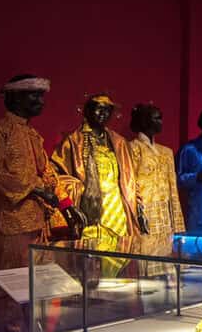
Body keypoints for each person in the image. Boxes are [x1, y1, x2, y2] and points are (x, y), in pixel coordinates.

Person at [0, 74, 83, 332]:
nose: (40, 101)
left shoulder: (33, 136)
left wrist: (66, 205)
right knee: (11, 289)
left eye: (41, 96)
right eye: (32, 95)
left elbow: (48, 175)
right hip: (11, 223)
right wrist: (39, 192)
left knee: (41, 288)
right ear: (13, 98)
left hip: (39, 223)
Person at [51, 93, 141, 278]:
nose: (102, 113)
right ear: (87, 111)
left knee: (118, 250)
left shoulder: (119, 142)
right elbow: (56, 175)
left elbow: (131, 178)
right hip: (89, 208)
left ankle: (111, 288)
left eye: (107, 110)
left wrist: (138, 205)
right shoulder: (73, 142)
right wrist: (76, 193)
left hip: (117, 207)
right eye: (97, 108)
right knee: (89, 255)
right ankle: (90, 290)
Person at [128, 103, 185, 271]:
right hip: (145, 210)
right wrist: (137, 212)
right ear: (145, 121)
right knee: (146, 260)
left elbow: (173, 189)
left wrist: (177, 221)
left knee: (166, 261)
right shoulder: (132, 148)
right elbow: (130, 184)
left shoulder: (166, 152)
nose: (160, 122)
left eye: (161, 118)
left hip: (164, 213)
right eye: (156, 118)